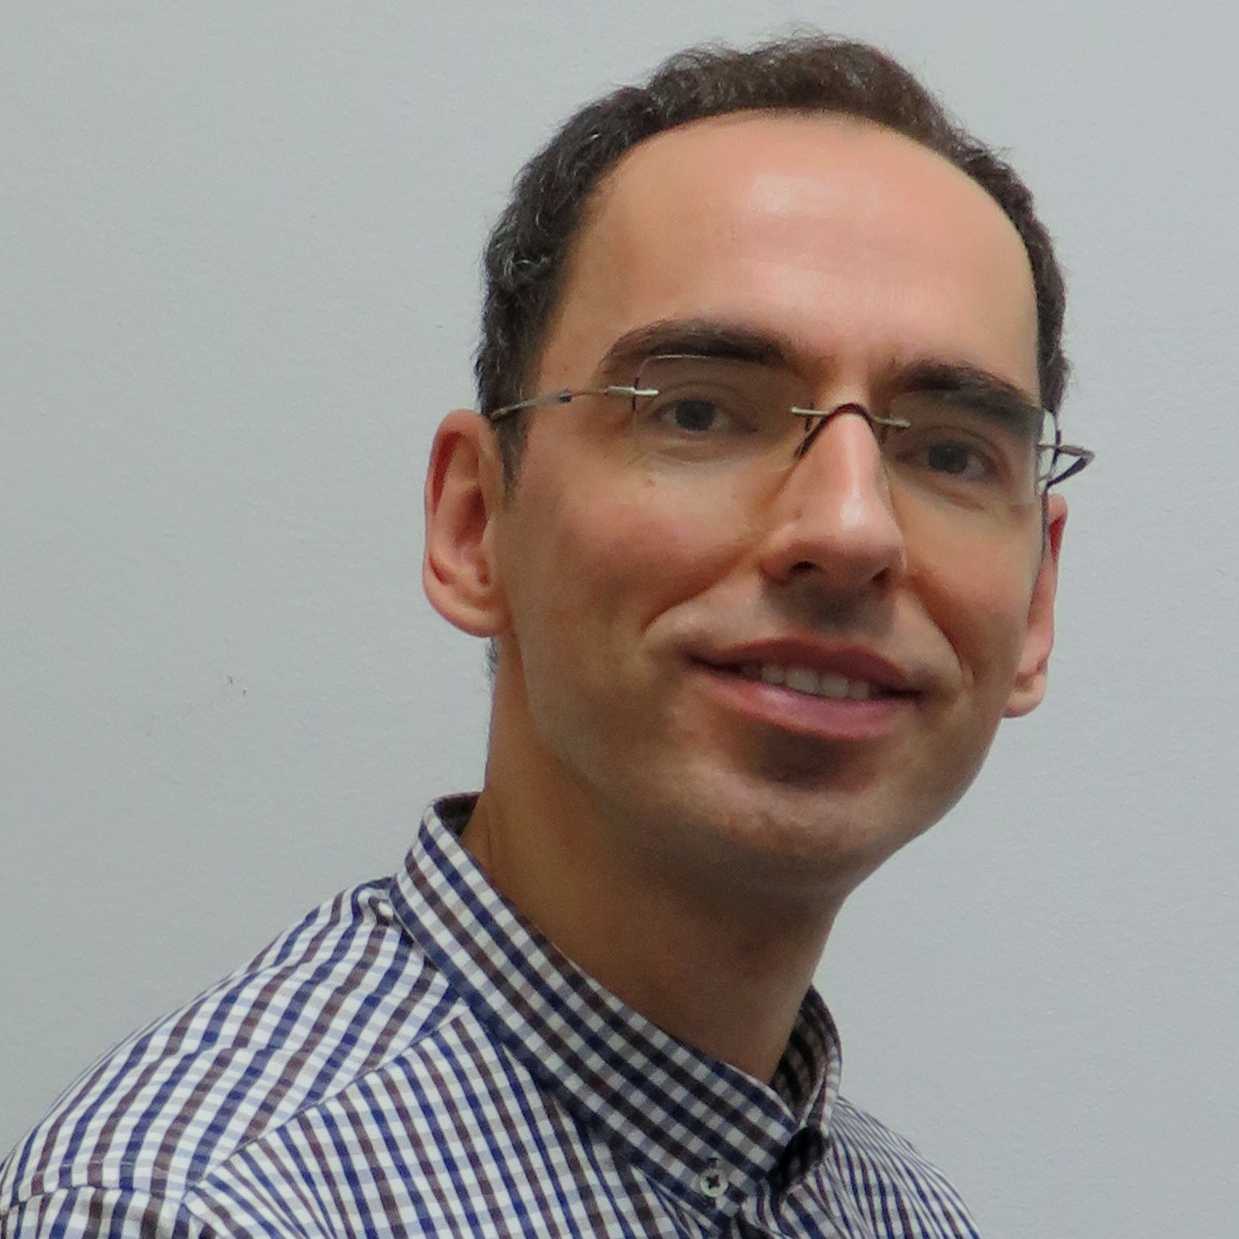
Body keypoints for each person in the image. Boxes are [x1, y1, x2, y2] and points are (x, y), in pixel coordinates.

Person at [0, 33, 1091, 1238]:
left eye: (950, 453)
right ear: (475, 525)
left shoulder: (904, 1213)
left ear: (1035, 605)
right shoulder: (192, 1209)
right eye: (696, 412)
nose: (848, 529)